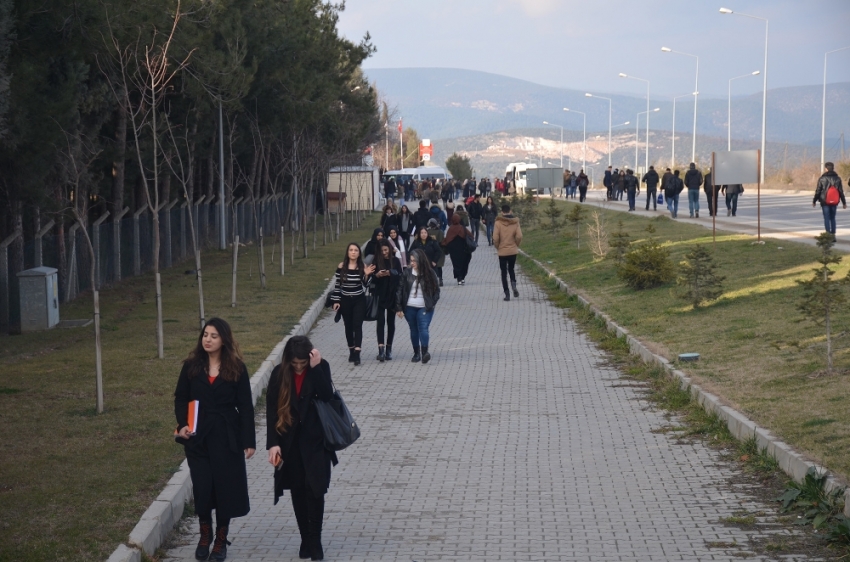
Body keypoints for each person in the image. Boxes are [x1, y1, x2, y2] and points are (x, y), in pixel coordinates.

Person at [174, 318, 255, 562]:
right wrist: (182, 425)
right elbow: (181, 398)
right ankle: (204, 534)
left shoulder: (237, 368)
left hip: (227, 437)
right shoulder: (191, 366)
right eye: (205, 335)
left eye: (214, 336)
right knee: (203, 485)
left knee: (225, 488)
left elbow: (245, 407)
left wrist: (248, 440)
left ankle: (221, 539)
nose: (207, 339)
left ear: (224, 340)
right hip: (198, 437)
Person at [266, 336, 336, 561]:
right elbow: (271, 411)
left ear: (310, 356)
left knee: (315, 489)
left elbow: (328, 396)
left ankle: (315, 541)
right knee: (298, 490)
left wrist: (314, 369)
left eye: (302, 363)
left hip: (316, 442)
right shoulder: (279, 374)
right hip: (290, 442)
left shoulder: (320, 366)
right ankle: (305, 538)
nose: (298, 368)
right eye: (294, 364)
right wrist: (273, 444)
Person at [331, 243, 376, 366]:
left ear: (359, 253)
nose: (353, 252)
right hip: (345, 300)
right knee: (348, 326)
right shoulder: (342, 266)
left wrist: (366, 274)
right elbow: (337, 286)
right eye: (351, 250)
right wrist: (336, 301)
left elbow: (366, 285)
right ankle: (351, 349)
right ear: (347, 252)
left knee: (357, 325)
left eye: (356, 250)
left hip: (359, 300)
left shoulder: (363, 266)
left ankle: (357, 352)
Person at [395, 248, 440, 364]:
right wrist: (398, 307)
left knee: (423, 328)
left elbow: (436, 291)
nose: (412, 263)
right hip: (409, 307)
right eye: (411, 261)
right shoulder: (407, 273)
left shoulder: (430, 273)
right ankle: (416, 353)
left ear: (421, 261)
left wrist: (431, 303)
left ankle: (425, 352)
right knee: (413, 329)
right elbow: (399, 290)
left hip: (424, 307)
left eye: (414, 261)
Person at [372, 240, 402, 361]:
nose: (384, 253)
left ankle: (389, 348)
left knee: (391, 322)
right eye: (382, 251)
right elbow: (370, 279)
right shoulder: (376, 261)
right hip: (379, 295)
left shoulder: (395, 260)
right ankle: (381, 349)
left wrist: (390, 273)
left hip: (392, 295)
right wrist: (377, 275)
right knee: (380, 322)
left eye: (386, 250)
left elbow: (401, 275)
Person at [493, 203, 523, 301]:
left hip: (502, 251)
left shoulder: (498, 223)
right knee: (511, 269)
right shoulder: (515, 222)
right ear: (510, 211)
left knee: (503, 273)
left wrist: (498, 247)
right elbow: (519, 236)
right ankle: (514, 285)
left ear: (502, 212)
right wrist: (516, 245)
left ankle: (507, 294)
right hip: (512, 250)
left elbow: (495, 238)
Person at [813, 162, 847, 236]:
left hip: (824, 201)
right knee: (832, 218)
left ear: (826, 169)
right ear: (833, 168)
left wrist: (814, 201)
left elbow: (818, 190)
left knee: (826, 218)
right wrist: (844, 203)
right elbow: (840, 191)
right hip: (834, 201)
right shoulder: (838, 178)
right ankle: (833, 235)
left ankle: (828, 235)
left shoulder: (822, 178)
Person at [441, 214, 473, 285]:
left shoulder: (450, 229)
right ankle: (462, 277)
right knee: (464, 263)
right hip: (463, 250)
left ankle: (459, 278)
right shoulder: (462, 228)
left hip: (453, 251)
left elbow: (447, 240)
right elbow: (470, 236)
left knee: (456, 264)